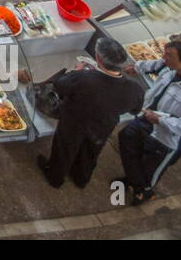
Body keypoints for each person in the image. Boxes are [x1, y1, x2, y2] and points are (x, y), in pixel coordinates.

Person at [117, 40, 181, 205]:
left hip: (167, 137)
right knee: (126, 138)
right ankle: (135, 180)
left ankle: (144, 191)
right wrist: (136, 67)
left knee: (151, 167)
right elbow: (154, 64)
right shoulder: (169, 67)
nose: (164, 58)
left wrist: (161, 120)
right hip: (145, 120)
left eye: (169, 55)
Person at [37, 38, 144, 189]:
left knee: (64, 149)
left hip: (74, 122)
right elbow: (135, 109)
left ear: (98, 58)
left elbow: (60, 85)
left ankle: (55, 176)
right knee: (91, 151)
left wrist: (76, 70)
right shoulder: (135, 88)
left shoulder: (83, 78)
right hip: (103, 126)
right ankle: (81, 178)